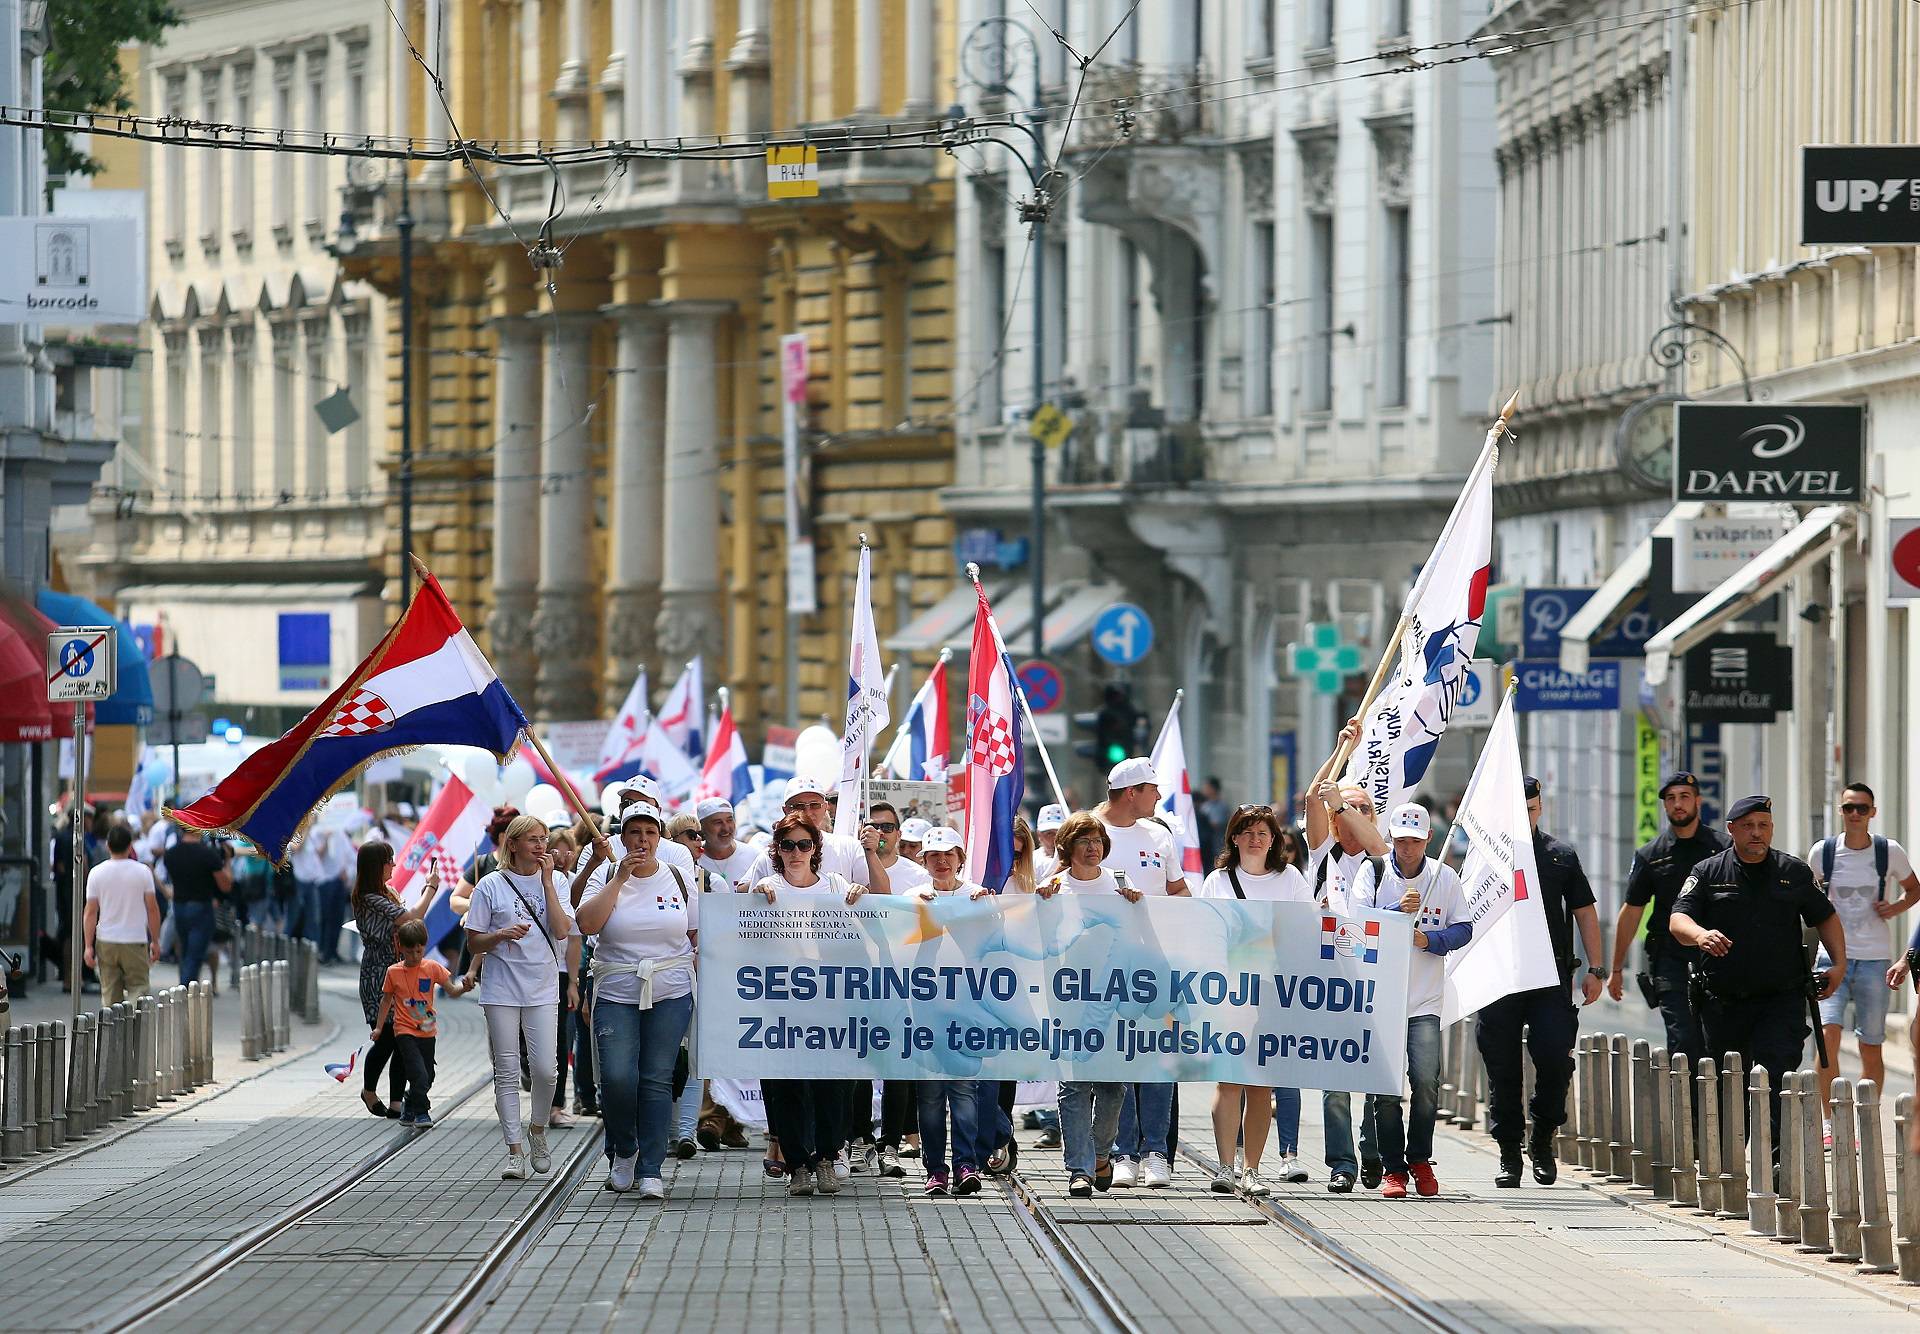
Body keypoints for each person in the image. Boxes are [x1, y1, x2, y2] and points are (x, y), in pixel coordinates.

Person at [1670, 794, 1844, 1160]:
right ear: (1732, 829)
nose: (1756, 833)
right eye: (1748, 826)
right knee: (1726, 1084)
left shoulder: (1793, 872)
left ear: (1771, 829)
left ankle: (1780, 1165)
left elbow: (1825, 917)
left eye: (1763, 826)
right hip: (1724, 1001)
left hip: (1780, 999)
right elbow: (1677, 919)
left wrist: (1838, 964)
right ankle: (1728, 1166)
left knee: (1778, 1077)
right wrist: (1700, 935)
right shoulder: (1708, 872)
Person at [1476, 776, 1604, 1188]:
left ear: (1540, 807)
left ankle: (1543, 1135)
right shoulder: (1487, 853)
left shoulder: (1559, 855)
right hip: (1500, 976)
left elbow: (1584, 910)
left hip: (1550, 976)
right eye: (1517, 809)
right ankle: (1509, 1151)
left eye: (1530, 809)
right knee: (1502, 1068)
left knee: (1554, 1056)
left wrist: (1596, 969)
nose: (1525, 816)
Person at [576, 800, 698, 1199]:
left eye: (650, 832)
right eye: (634, 833)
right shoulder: (607, 873)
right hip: (617, 991)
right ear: (622, 836)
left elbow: (696, 933)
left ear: (660, 837)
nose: (642, 840)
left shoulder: (679, 877)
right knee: (616, 1078)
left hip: (670, 990)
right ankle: (624, 1149)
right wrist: (618, 880)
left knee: (656, 1078)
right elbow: (586, 923)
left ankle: (650, 1168)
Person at [1351, 803, 1471, 1199]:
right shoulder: (1375, 872)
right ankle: (1393, 1168)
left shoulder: (1444, 878)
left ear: (1427, 840)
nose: (1407, 849)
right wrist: (1394, 914)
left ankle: (1420, 1157)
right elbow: (1356, 923)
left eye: (1414, 842)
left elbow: (1464, 928)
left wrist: (1430, 941)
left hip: (1424, 1001)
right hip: (1381, 998)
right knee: (1385, 1088)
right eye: (1400, 841)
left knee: (1426, 1081)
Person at [749, 812, 868, 1196]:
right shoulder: (767, 885)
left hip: (829, 1000)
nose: (796, 852)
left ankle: (828, 1158)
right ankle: (797, 1163)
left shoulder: (835, 884)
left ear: (816, 848)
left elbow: (863, 925)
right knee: (786, 1082)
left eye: (804, 844)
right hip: (781, 1002)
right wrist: (751, 900)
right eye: (788, 845)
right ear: (777, 850)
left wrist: (860, 898)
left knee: (833, 1081)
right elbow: (741, 929)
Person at [1197, 803, 1313, 1195]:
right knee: (1229, 1081)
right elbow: (1204, 931)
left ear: (1274, 839)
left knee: (1262, 1083)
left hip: (1273, 992)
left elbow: (1304, 929)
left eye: (1263, 832)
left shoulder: (1290, 878)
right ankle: (1225, 1166)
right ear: (1233, 837)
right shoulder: (1217, 880)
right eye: (1247, 831)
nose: (1255, 838)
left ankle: (1252, 1169)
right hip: (1229, 992)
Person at [466, 814, 577, 1181]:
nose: (541, 845)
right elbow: (474, 942)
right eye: (532, 839)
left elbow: (563, 930)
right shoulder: (490, 885)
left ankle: (538, 1130)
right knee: (508, 1070)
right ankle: (514, 1149)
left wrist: (546, 881)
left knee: (547, 1070)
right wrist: (500, 936)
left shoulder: (558, 880)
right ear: (511, 845)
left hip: (543, 985)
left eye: (544, 838)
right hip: (501, 987)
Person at [1099, 756, 1193, 1189]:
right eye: (1153, 789)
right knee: (1119, 1058)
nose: (1159, 796)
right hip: (1105, 967)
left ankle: (1156, 1151)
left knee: (1158, 1058)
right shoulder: (1087, 830)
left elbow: (1177, 890)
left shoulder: (1159, 834)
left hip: (1157, 963)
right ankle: (1122, 1152)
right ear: (1132, 792)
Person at [1302, 734, 1390, 1193]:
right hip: (1331, 978)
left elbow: (1380, 849)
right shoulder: (1324, 855)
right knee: (1336, 1077)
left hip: (1377, 979)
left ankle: (1374, 1151)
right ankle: (1341, 1163)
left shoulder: (1381, 861)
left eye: (1355, 809)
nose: (1343, 816)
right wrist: (1341, 751)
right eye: (1339, 811)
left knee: (1376, 1072)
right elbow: (1313, 799)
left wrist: (1347, 804)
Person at [1038, 812, 1142, 1196]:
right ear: (1068, 847)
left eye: (1097, 840)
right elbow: (1039, 941)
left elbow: (1138, 935)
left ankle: (1100, 1153)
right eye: (1084, 840)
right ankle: (1079, 1168)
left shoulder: (1119, 882)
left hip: (1113, 997)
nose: (1093, 847)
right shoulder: (1054, 887)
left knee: (1114, 1086)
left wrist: (1137, 905)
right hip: (1068, 999)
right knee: (1075, 1083)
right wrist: (1041, 906)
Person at [1807, 782, 1918, 1143]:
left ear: (1873, 812)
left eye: (1862, 808)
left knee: (1871, 1044)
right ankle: (1829, 1121)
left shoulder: (1889, 851)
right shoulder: (1822, 853)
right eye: (1848, 807)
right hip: (1831, 956)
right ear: (1840, 811)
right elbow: (1807, 898)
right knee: (1827, 1037)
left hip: (1874, 958)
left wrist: (1896, 907)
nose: (1855, 814)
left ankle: (1864, 1120)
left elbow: (1914, 888)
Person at [1610, 772, 1728, 1069]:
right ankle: (1686, 1113)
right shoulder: (1652, 855)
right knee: (1684, 1042)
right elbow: (1632, 911)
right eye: (1671, 799)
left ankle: (1720, 1113)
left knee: (1719, 1040)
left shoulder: (1723, 848)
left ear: (1698, 802)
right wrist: (1615, 968)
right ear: (1665, 806)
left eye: (1684, 797)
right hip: (1670, 959)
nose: (1678, 804)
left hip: (1718, 956)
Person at [907, 826, 994, 1196]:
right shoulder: (912, 897)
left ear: (960, 859)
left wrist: (987, 910)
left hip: (967, 1006)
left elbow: (994, 945)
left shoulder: (977, 895)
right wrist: (919, 913)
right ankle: (935, 1169)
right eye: (933, 855)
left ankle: (965, 1165)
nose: (942, 862)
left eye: (949, 854)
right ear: (923, 860)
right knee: (929, 1095)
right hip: (926, 1008)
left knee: (962, 1089)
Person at [352, 840, 449, 1119]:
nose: (394, 865)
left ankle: (397, 1102)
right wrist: (431, 887)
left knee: (404, 1036)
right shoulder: (370, 898)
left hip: (403, 972)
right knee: (386, 1038)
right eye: (389, 860)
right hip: (378, 976)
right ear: (376, 866)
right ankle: (369, 1090)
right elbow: (411, 918)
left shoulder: (387, 893)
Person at [370, 919, 473, 1127]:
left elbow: (452, 991)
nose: (415, 956)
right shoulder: (394, 972)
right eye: (410, 952)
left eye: (419, 951)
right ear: (401, 948)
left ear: (424, 947)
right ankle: (422, 1112)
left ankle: (409, 1102)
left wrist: (464, 988)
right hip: (405, 1031)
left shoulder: (433, 968)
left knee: (428, 1075)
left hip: (427, 1031)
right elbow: (386, 1001)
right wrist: (379, 1027)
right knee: (418, 1072)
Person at [732, 777, 890, 893]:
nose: (807, 812)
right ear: (785, 811)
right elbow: (742, 893)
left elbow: (883, 897)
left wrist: (870, 854)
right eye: (798, 806)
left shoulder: (848, 846)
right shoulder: (771, 853)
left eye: (814, 805)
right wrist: (759, 890)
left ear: (826, 807)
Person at [83, 824, 161, 1005]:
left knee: (109, 993)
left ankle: (112, 1031)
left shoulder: (96, 873)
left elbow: (90, 911)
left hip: (106, 940)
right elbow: (152, 909)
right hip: (135, 939)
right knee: (138, 988)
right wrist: (155, 941)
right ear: (130, 846)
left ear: (108, 846)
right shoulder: (143, 872)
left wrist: (88, 945)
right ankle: (133, 1029)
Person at [162, 825, 232, 989]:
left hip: (179, 906)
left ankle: (183, 989)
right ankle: (184, 991)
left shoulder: (171, 854)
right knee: (194, 956)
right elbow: (226, 885)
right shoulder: (207, 854)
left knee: (185, 952)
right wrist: (227, 861)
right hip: (201, 907)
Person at [696, 798, 760, 888]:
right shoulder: (693, 860)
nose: (726, 828)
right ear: (702, 827)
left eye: (729, 820)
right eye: (718, 822)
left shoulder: (754, 856)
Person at [1032, 803, 1067, 880]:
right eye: (1049, 833)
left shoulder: (1076, 859)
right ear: (1039, 835)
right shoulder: (1031, 860)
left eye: (1059, 833)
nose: (1055, 838)